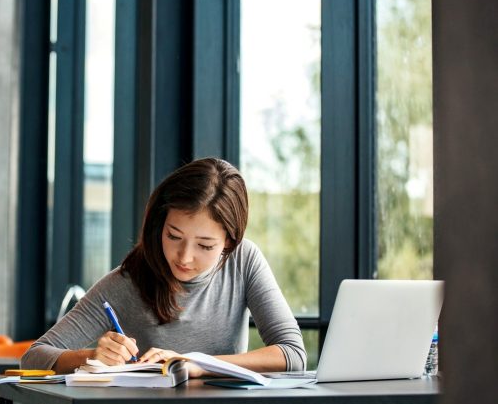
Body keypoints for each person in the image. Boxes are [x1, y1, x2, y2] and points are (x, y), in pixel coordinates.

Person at [21, 158, 306, 376]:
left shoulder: (243, 261)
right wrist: (92, 356)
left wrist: (195, 363)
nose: (184, 257)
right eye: (173, 236)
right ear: (159, 224)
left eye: (205, 246)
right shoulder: (128, 281)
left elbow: (292, 354)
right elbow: (34, 357)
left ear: (229, 242)